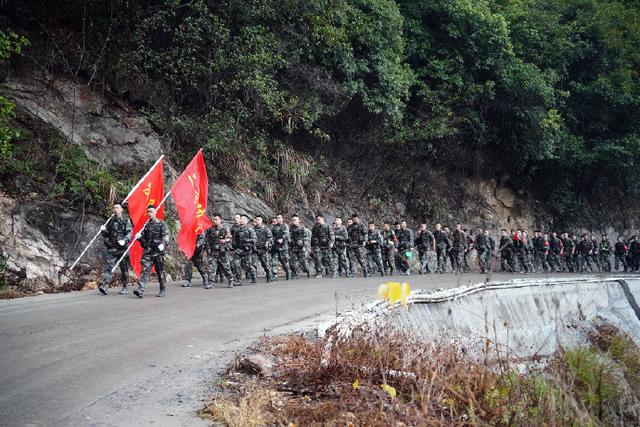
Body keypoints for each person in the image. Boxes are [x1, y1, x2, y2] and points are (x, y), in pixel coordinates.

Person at [134, 205, 170, 298]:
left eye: (151, 211)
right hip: (148, 252)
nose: (149, 213)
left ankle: (162, 289)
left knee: (160, 272)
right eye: (148, 212)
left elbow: (166, 236)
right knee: (145, 270)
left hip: (158, 252)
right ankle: (140, 290)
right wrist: (139, 237)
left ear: (156, 212)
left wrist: (163, 243)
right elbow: (143, 240)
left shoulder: (162, 223)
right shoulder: (146, 225)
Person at [99, 203, 132, 295]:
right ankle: (104, 286)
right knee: (109, 267)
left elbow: (129, 233)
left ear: (121, 209)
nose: (115, 209)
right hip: (112, 248)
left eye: (117, 208)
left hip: (123, 249)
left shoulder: (126, 220)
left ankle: (125, 287)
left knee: (124, 268)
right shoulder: (110, 220)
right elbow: (107, 234)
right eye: (114, 208)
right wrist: (103, 230)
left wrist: (125, 240)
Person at [204, 213, 235, 287]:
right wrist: (208, 249)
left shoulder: (225, 228)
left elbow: (230, 238)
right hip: (213, 251)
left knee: (226, 268)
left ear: (220, 220)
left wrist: (225, 240)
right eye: (213, 220)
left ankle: (231, 280)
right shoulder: (210, 229)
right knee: (212, 268)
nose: (214, 221)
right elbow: (207, 240)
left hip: (223, 251)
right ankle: (211, 283)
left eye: (216, 219)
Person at [233, 215, 257, 284]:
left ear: (246, 221)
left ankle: (253, 275)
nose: (242, 220)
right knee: (236, 264)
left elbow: (254, 239)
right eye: (241, 218)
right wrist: (233, 248)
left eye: (244, 219)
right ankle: (238, 280)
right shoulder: (236, 230)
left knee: (248, 266)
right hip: (238, 250)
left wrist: (247, 240)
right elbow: (234, 241)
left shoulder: (250, 229)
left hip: (247, 250)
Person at [311, 214, 335, 278]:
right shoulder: (315, 227)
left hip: (326, 245)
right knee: (317, 258)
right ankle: (319, 273)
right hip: (318, 246)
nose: (318, 221)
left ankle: (334, 271)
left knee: (328, 259)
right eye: (316, 220)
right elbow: (313, 237)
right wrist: (312, 245)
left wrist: (331, 243)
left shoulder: (327, 226)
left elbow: (332, 235)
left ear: (322, 219)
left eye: (319, 219)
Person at [253, 215, 274, 282]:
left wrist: (267, 242)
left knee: (265, 264)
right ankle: (254, 278)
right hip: (255, 249)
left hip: (263, 249)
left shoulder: (266, 229)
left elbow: (270, 237)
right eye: (256, 219)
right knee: (253, 264)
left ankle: (269, 276)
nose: (257, 220)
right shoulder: (253, 229)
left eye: (258, 219)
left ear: (261, 221)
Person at [271, 214, 291, 280]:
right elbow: (271, 235)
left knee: (284, 261)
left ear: (282, 219)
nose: (278, 219)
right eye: (277, 218)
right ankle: (274, 275)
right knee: (274, 260)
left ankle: (288, 272)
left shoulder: (285, 226)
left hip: (283, 247)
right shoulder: (274, 227)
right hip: (276, 246)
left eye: (279, 218)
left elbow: (286, 233)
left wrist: (282, 238)